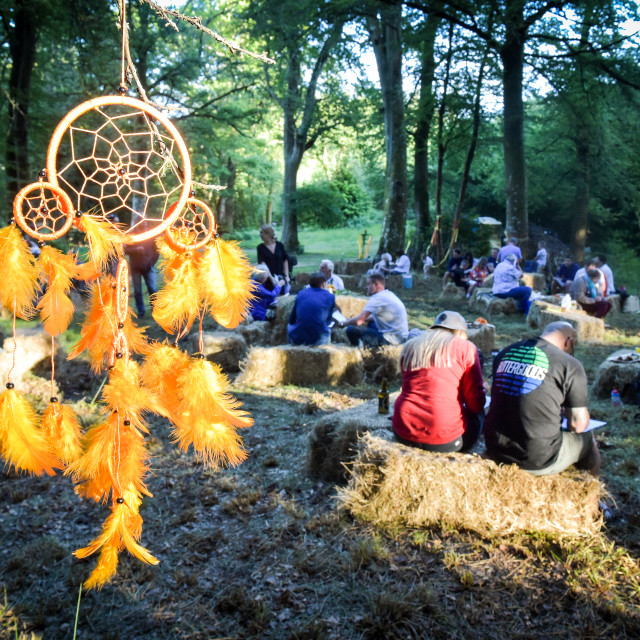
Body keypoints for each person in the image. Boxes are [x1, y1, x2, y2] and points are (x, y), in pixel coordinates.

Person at [484, 321, 600, 476]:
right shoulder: (570, 364)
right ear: (569, 341)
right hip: (536, 458)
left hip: (495, 447)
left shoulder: (506, 352)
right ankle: (591, 494)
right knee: (587, 440)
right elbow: (577, 425)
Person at [392, 311, 486, 452]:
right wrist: (483, 389)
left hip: (403, 428)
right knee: (478, 415)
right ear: (460, 332)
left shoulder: (410, 345)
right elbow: (475, 403)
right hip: (443, 437)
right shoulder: (466, 348)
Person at [341, 272, 408, 347]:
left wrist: (344, 323)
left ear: (376, 284)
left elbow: (359, 321)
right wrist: (353, 319)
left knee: (351, 330)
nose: (367, 287)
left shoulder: (376, 298)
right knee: (371, 323)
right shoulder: (389, 294)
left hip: (391, 340)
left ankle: (357, 349)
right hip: (402, 337)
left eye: (368, 284)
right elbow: (373, 317)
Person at [287, 272, 335, 346]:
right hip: (319, 340)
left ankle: (290, 344)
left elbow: (292, 318)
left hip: (297, 339)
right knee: (327, 328)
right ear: (324, 284)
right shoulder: (330, 296)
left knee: (289, 325)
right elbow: (328, 321)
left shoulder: (301, 293)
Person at [125, 236, 159, 318]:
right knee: (137, 291)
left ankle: (155, 310)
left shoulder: (150, 235)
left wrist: (151, 263)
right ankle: (141, 312)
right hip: (135, 268)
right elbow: (125, 250)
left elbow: (157, 251)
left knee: (152, 289)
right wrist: (135, 249)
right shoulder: (132, 236)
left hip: (148, 267)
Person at [257, 224, 290, 293]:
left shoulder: (279, 245)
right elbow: (263, 265)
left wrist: (287, 275)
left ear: (268, 233)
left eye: (261, 232)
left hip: (281, 277)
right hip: (268, 278)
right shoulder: (260, 248)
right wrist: (272, 279)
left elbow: (285, 260)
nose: (260, 235)